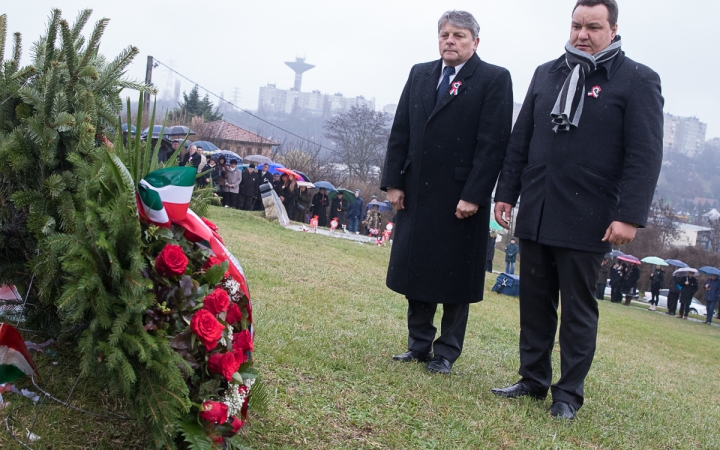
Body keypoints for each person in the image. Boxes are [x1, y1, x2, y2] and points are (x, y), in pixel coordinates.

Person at [491, 0, 663, 420]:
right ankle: (533, 380)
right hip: (538, 206)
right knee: (533, 303)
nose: (582, 34)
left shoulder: (637, 80)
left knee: (578, 310)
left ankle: (567, 395)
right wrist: (506, 192)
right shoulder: (547, 73)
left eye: (593, 26)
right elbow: (521, 138)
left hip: (592, 217)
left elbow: (644, 155)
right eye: (576, 25)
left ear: (613, 29)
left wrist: (630, 215)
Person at [382, 10, 513, 375]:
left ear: (475, 41)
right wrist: (394, 181)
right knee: (417, 271)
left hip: (461, 199)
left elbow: (493, 144)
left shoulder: (493, 79)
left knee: (456, 279)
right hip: (418, 191)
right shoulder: (420, 73)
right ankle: (418, 345)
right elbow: (401, 130)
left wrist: (474, 194)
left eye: (459, 35)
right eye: (444, 35)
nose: (450, 41)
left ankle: (446, 353)